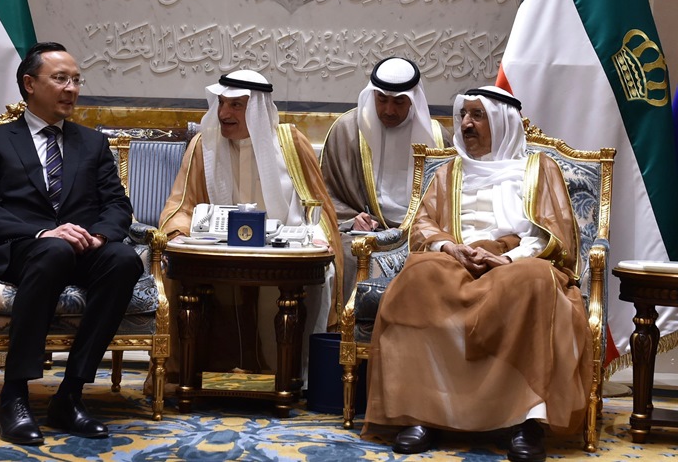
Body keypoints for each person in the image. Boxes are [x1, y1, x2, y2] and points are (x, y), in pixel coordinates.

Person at [362, 86, 592, 462]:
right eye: (464, 115)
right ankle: (422, 414)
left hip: (515, 263)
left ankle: (527, 421)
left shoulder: (538, 169)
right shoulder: (450, 171)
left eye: (477, 116)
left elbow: (554, 232)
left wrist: (509, 259)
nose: (466, 124)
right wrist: (449, 248)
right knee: (417, 276)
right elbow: (422, 225)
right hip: (459, 260)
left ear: (501, 122)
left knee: (536, 281)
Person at [0, 42, 144, 445]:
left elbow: (117, 205)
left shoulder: (92, 143)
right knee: (54, 249)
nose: (71, 89)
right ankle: (14, 397)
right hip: (22, 248)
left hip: (81, 249)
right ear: (30, 84)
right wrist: (43, 232)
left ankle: (70, 394)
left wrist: (99, 236)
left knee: (123, 259)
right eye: (60, 79)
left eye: (76, 80)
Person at [158, 69, 343, 378]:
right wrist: (177, 232)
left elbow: (318, 205)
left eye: (236, 105)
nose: (223, 113)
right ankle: (195, 375)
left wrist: (318, 237)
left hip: (283, 258)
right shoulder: (204, 146)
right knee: (176, 271)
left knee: (321, 274)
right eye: (221, 103)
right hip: (219, 258)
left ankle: (288, 375)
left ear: (257, 109)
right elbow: (180, 206)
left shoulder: (291, 144)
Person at [319, 56, 449, 299]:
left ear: (412, 100)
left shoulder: (437, 139)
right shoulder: (347, 131)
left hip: (417, 235)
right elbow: (325, 194)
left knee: (438, 262)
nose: (389, 110)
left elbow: (449, 203)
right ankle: (348, 324)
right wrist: (351, 220)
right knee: (345, 254)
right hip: (361, 234)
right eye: (382, 99)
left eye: (399, 102)